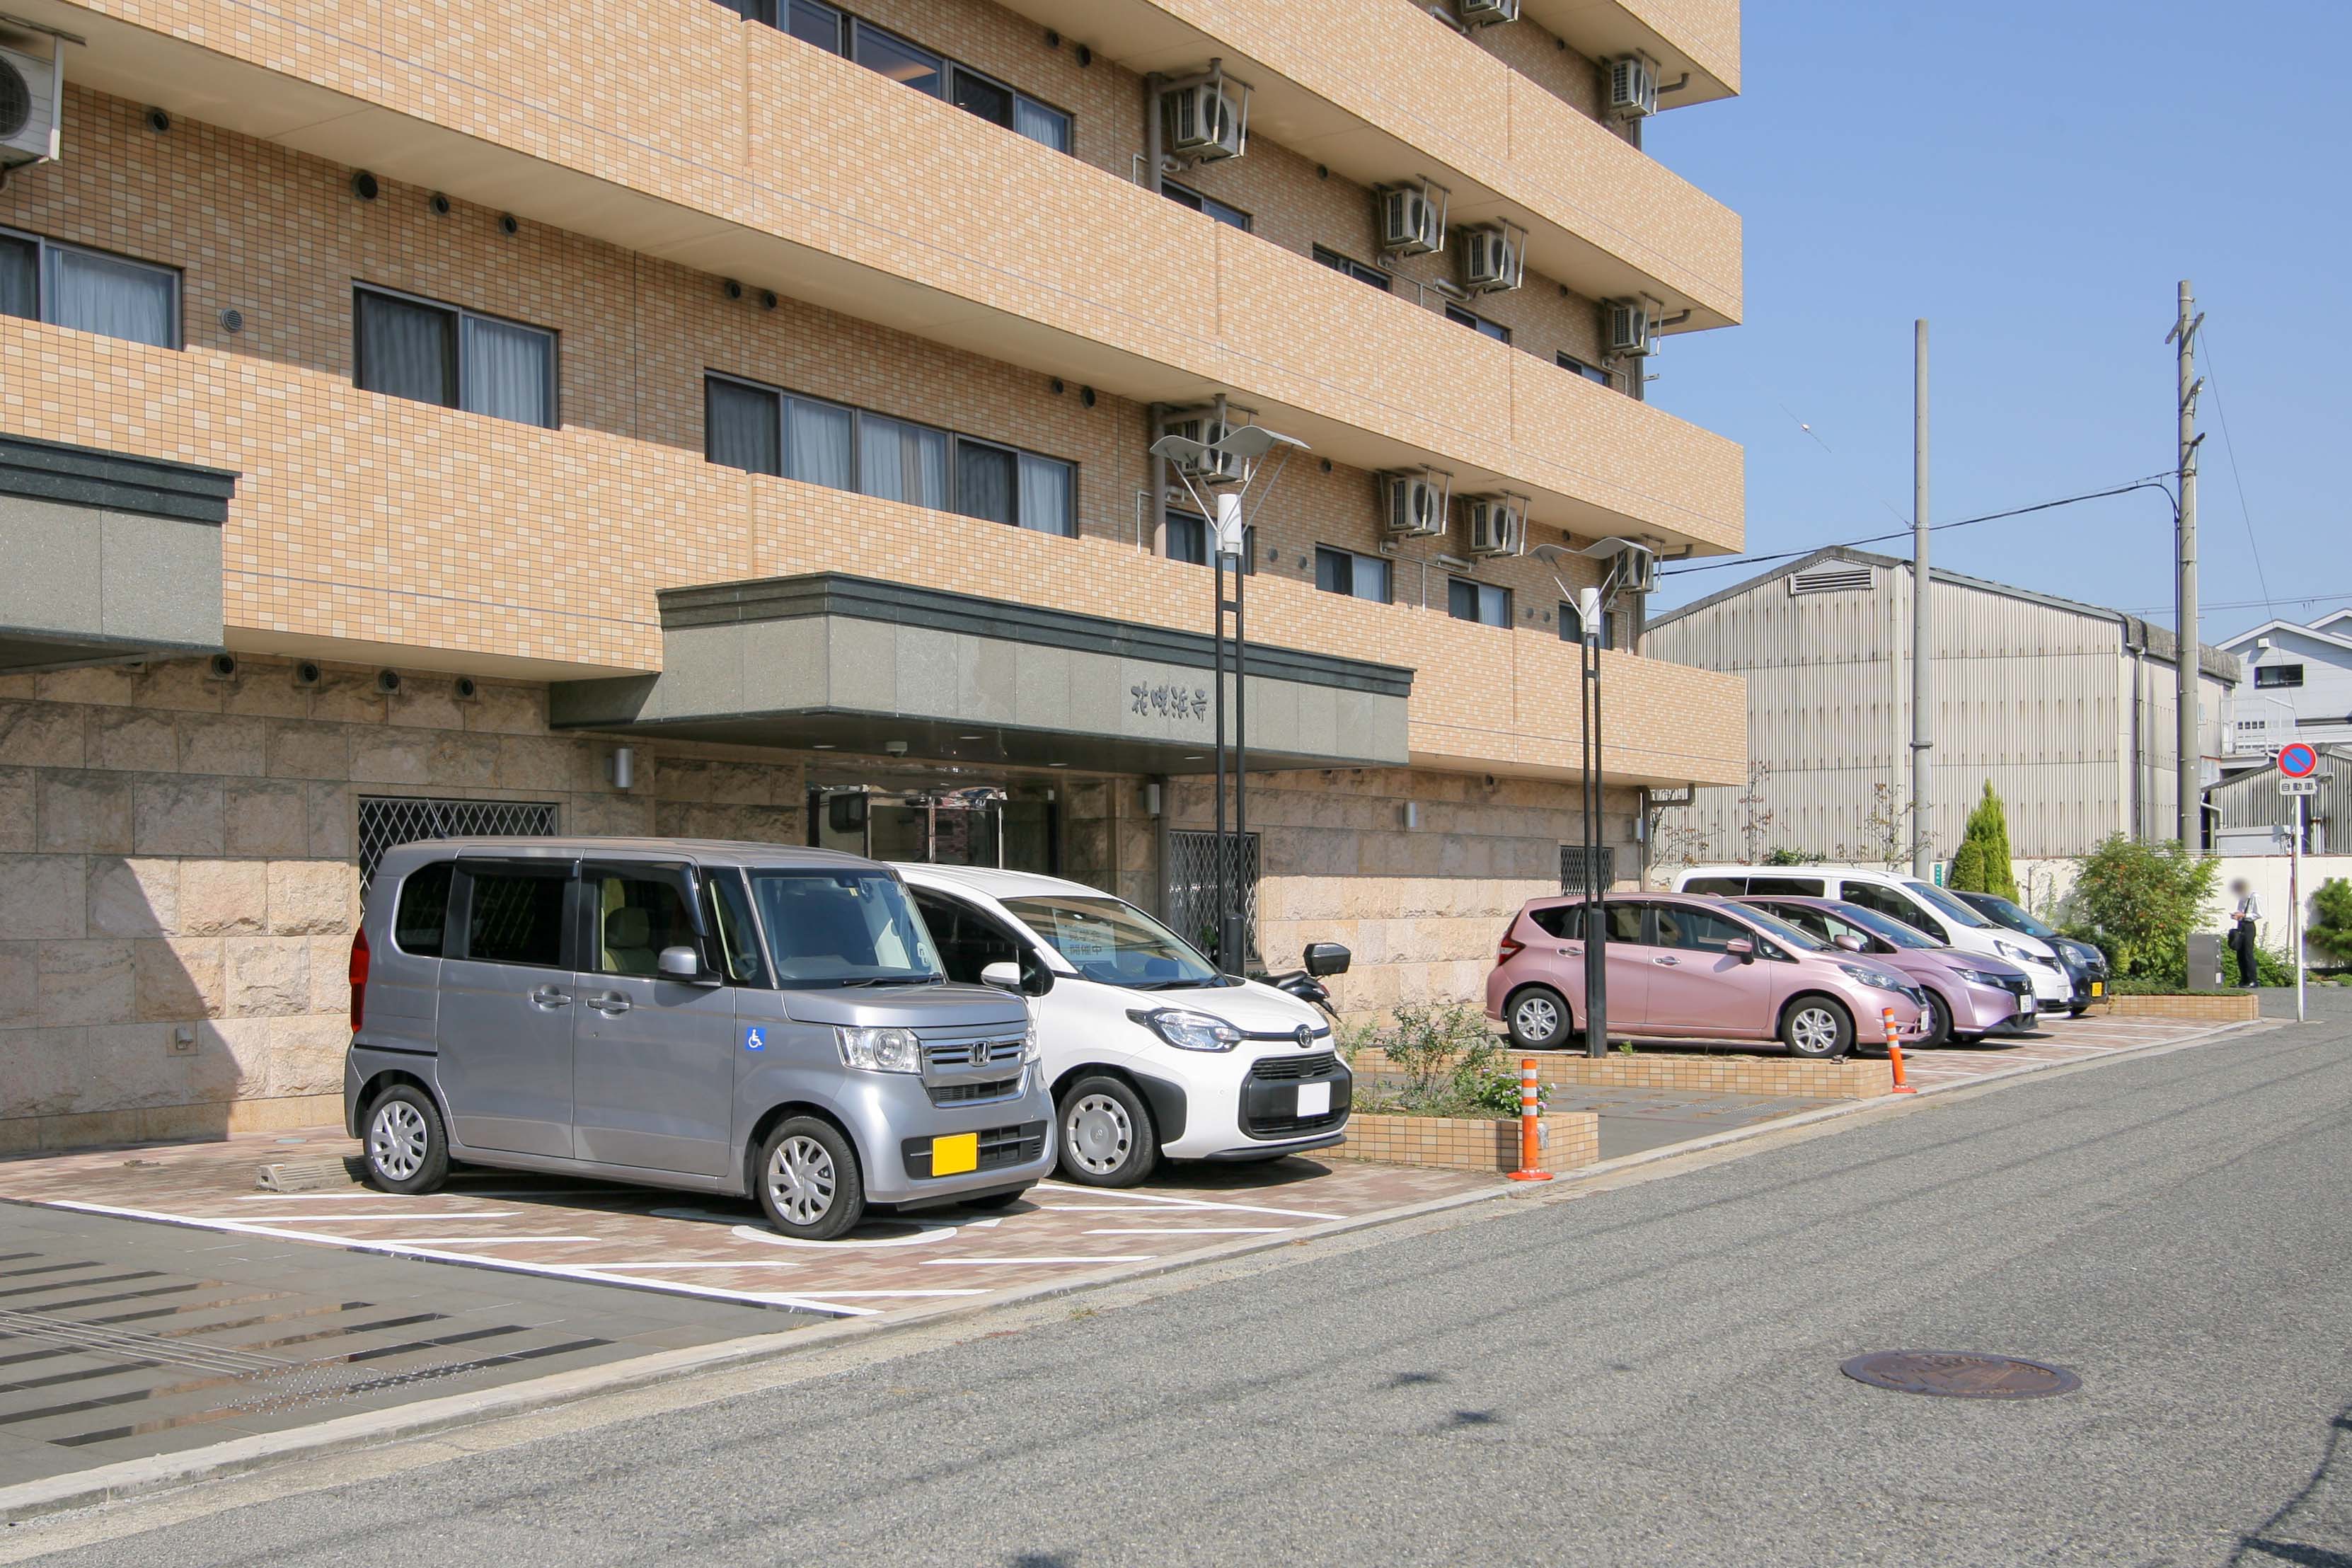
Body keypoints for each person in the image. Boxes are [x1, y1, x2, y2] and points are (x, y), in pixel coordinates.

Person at [2229, 880, 2264, 988]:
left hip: (2249, 926)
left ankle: (2252, 980)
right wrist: (2236, 915)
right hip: (2241, 925)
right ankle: (2244, 980)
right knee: (2240, 954)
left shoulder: (2254, 897)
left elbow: (2258, 914)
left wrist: (2244, 915)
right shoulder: (2242, 898)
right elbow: (2240, 910)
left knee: (2248, 953)